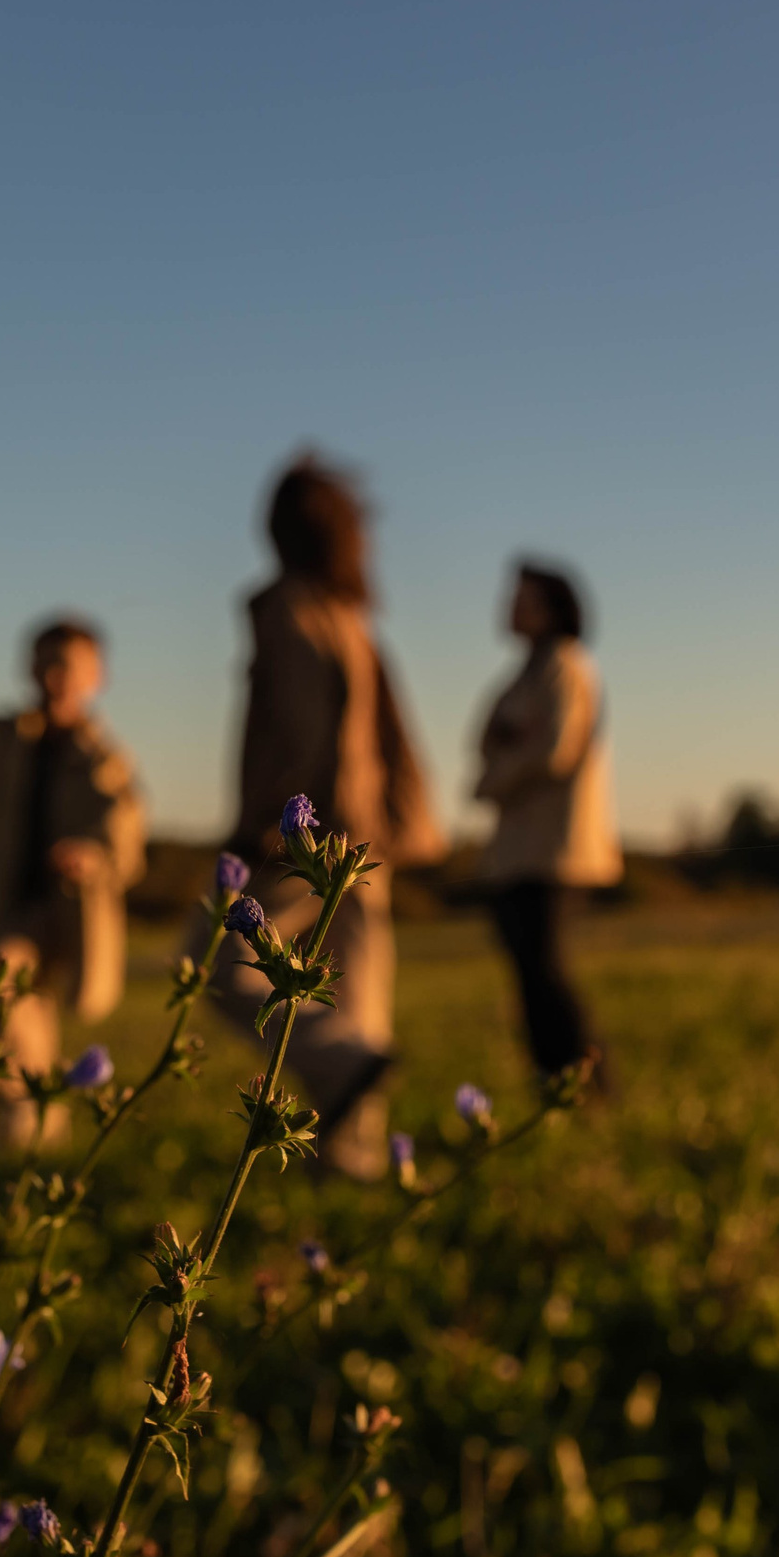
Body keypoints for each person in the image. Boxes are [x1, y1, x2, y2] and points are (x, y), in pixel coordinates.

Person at [212, 456, 447, 1176]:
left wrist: (266, 821)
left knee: (220, 964)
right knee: (360, 986)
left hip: (307, 832)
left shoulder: (287, 605)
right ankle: (355, 1159)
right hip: (363, 829)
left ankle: (342, 1065)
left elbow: (304, 729)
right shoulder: (350, 612)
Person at [0, 610, 145, 1138]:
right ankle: (37, 1124)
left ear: (96, 677)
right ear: (29, 669)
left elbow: (125, 838)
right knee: (13, 1007)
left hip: (62, 912)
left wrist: (92, 856)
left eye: (68, 666)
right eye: (45, 664)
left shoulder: (104, 759)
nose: (55, 677)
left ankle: (22, 1121)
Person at [473, 560, 620, 1085]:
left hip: (555, 848)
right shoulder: (526, 671)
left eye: (524, 599)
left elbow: (553, 749)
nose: (510, 608)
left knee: (546, 971)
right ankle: (551, 1079)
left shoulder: (565, 664)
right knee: (529, 974)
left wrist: (495, 778)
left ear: (555, 608)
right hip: (519, 850)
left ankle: (588, 1083)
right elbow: (491, 737)